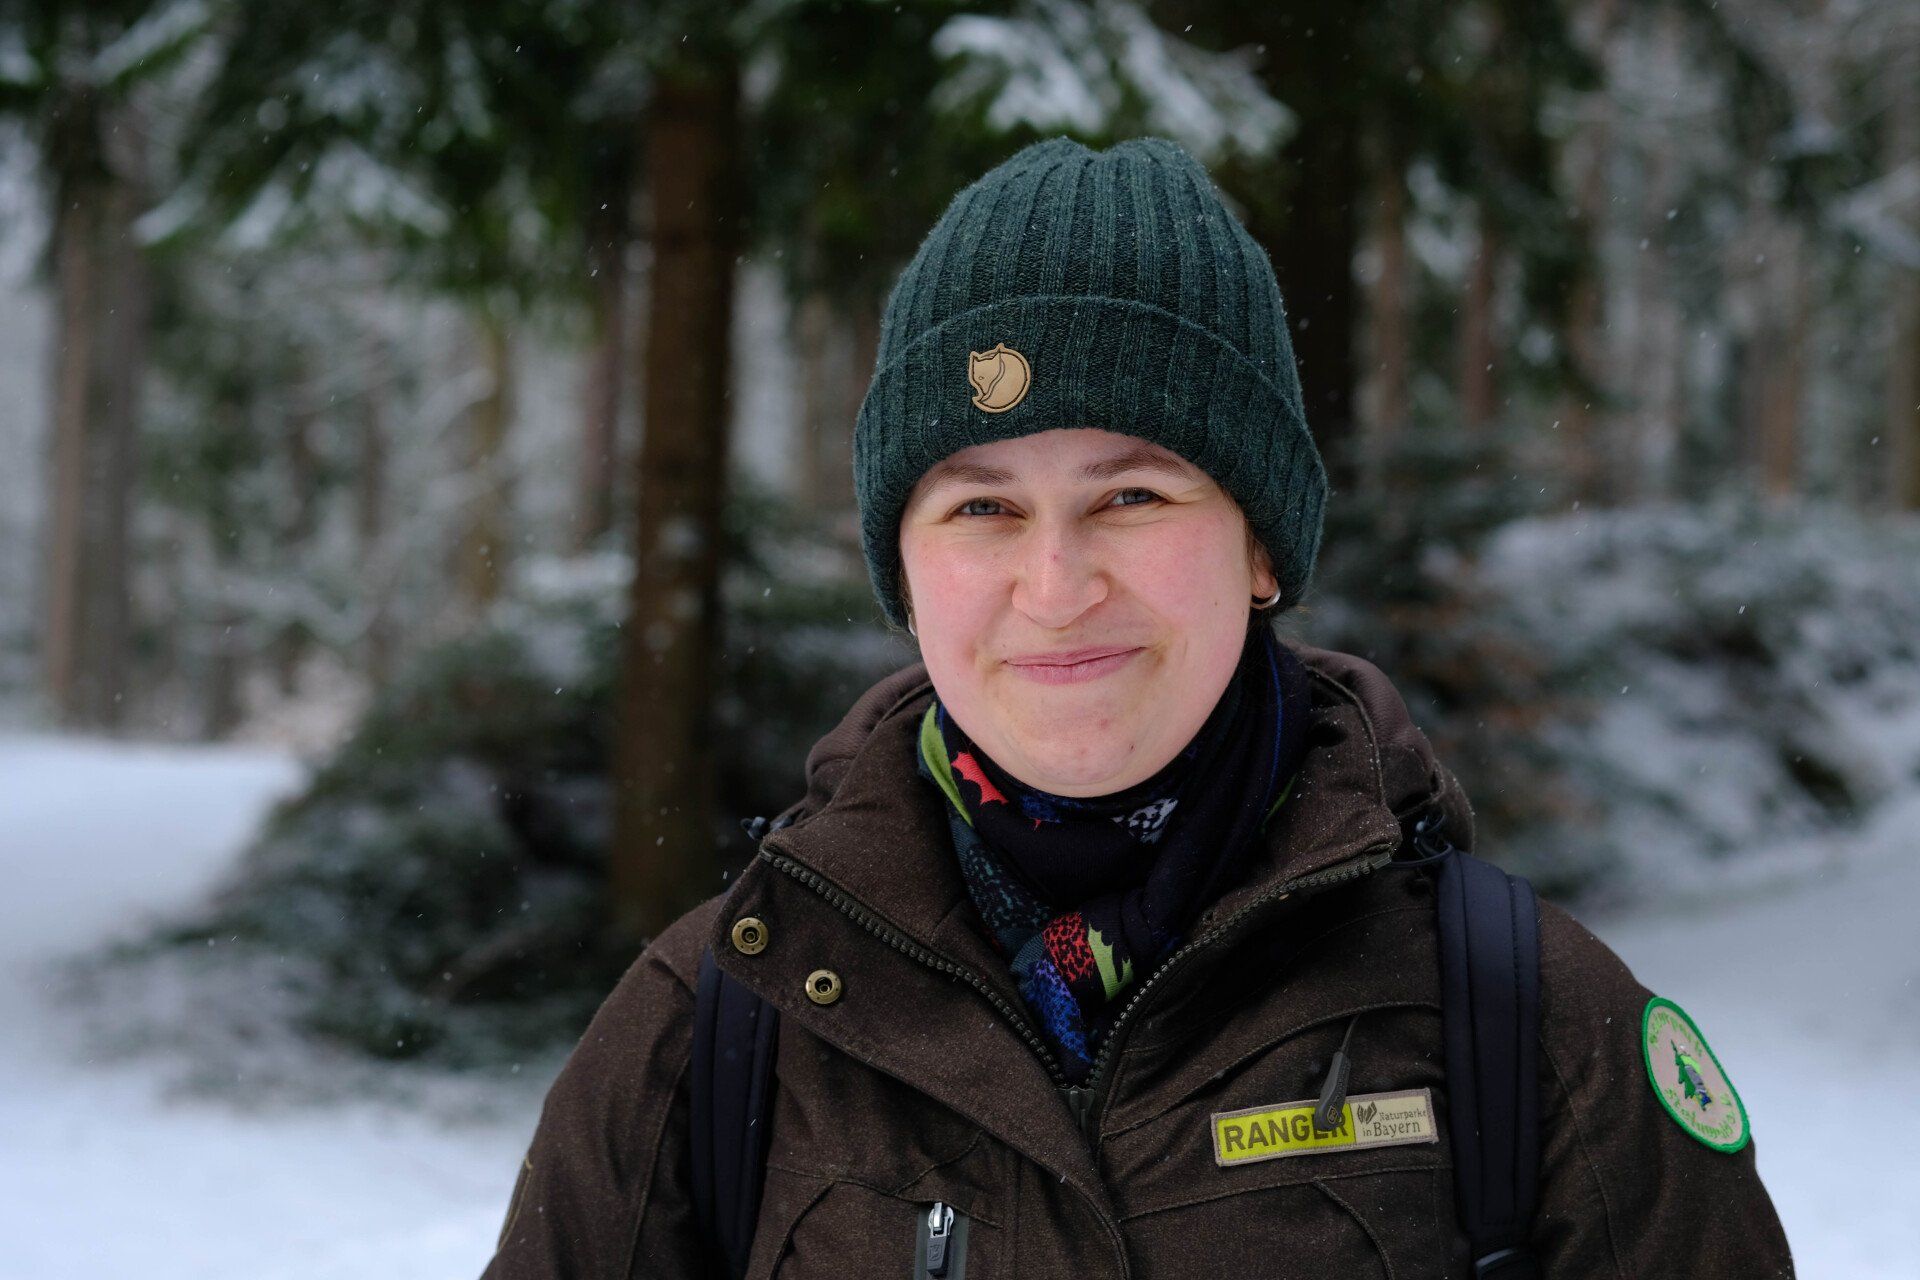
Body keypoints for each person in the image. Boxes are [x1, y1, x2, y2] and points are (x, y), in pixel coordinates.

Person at [480, 136, 1793, 1278]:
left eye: (1134, 497)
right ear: (905, 570)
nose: (1055, 587)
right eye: (981, 507)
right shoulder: (718, 1030)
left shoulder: (1521, 1022)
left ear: (1262, 548)